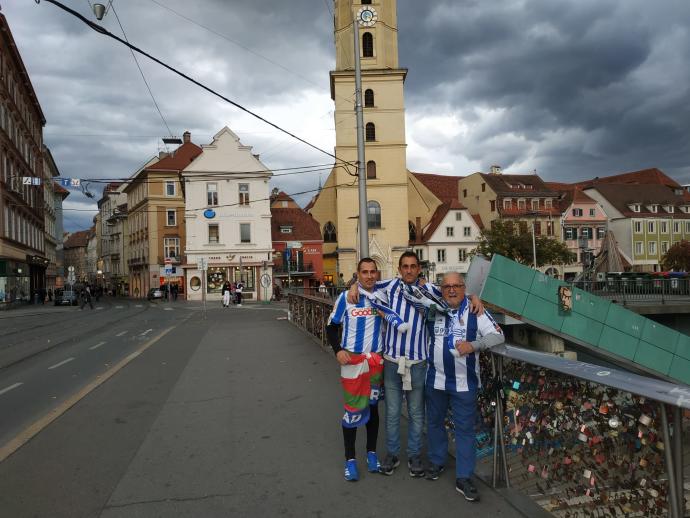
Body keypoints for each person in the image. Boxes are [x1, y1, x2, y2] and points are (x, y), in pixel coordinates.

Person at [347, 251, 483, 478]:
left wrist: (473, 297)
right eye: (405, 267)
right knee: (392, 411)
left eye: (413, 266)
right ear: (399, 269)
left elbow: (452, 293)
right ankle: (392, 454)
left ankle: (413, 455)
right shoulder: (390, 286)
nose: (409, 270)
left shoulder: (428, 289)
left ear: (419, 269)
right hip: (391, 361)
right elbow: (366, 285)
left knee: (416, 413)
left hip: (418, 362)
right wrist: (352, 285)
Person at [326, 257, 408, 482]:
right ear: (358, 274)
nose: (370, 276)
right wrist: (337, 350)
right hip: (352, 363)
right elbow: (331, 326)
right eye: (365, 272)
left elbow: (409, 287)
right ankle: (350, 460)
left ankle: (371, 453)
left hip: (375, 363)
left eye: (373, 272)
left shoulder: (382, 297)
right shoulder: (347, 297)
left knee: (372, 409)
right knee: (353, 410)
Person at [425, 272, 504, 501]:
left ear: (464, 288)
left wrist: (473, 345)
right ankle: (438, 460)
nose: (451, 290)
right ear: (441, 289)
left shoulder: (474, 310)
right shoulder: (432, 308)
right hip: (435, 379)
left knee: (465, 430)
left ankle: (464, 477)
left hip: (464, 383)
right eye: (447, 286)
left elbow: (498, 335)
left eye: (457, 286)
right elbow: (413, 289)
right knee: (435, 422)